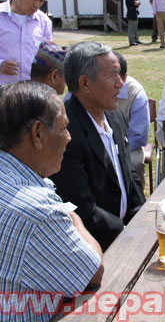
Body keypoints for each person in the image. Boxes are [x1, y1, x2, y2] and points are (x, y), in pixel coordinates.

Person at [0, 81, 104, 321]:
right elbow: (92, 272)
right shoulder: (35, 212)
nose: (68, 138)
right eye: (63, 128)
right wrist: (73, 217)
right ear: (38, 133)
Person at [50, 42, 146, 251]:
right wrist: (128, 232)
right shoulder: (65, 133)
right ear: (85, 84)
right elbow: (82, 209)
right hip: (96, 246)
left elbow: (127, 168)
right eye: (112, 76)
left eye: (120, 74)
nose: (120, 83)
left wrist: (140, 209)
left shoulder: (113, 115)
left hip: (126, 232)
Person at [115, 52, 150, 188]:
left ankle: (136, 204)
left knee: (134, 162)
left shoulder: (136, 93)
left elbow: (138, 137)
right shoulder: (85, 87)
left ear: (124, 78)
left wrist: (115, 152)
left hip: (128, 145)